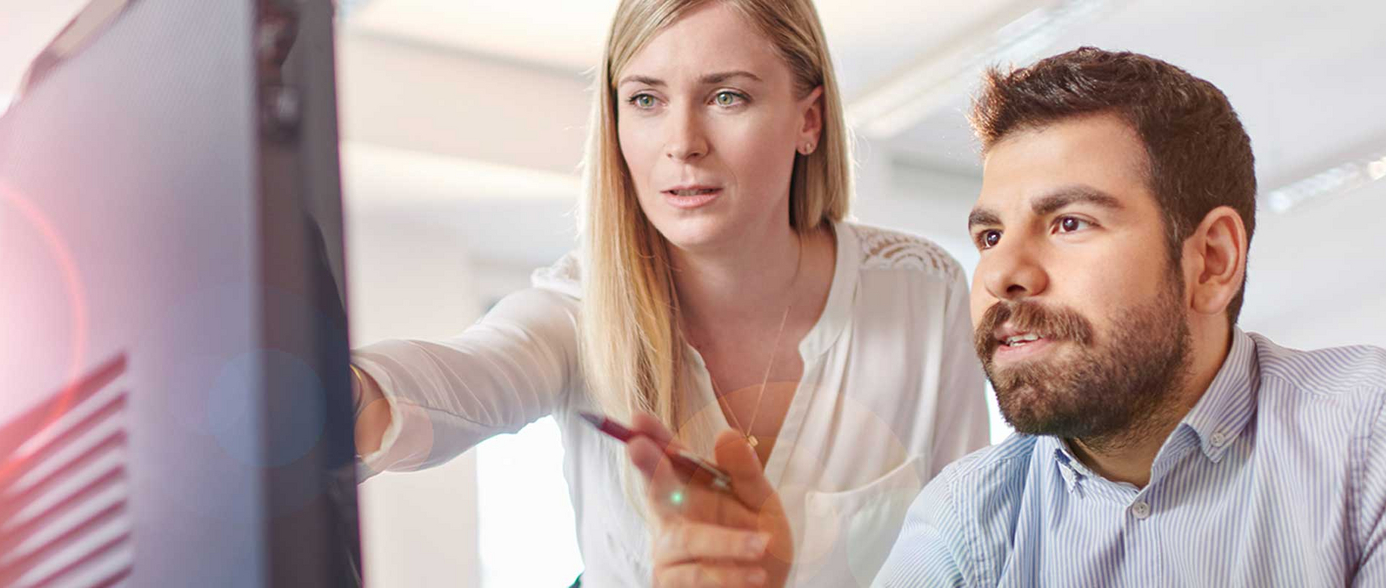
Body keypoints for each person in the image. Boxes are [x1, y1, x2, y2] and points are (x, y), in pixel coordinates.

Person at [636, 47, 1386, 587]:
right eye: (988, 233)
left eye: (1069, 223)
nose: (1003, 273)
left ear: (1210, 260)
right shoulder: (969, 520)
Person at [345, 0, 991, 585]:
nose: (683, 144)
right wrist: (349, 391)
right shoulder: (578, 308)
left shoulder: (919, 292)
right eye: (647, 100)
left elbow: (967, 552)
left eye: (728, 97)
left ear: (809, 121)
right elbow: (470, 373)